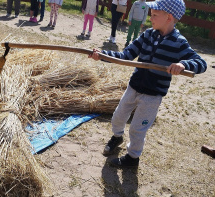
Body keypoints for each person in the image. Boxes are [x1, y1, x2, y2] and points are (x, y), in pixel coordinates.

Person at [89, 0, 207, 168]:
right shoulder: (147, 35)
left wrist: (183, 65)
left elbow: (201, 63)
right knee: (118, 116)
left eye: (154, 15)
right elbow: (126, 55)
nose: (150, 18)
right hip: (134, 86)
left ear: (169, 17)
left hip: (153, 95)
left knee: (137, 128)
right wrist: (103, 55)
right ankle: (117, 136)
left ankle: (132, 158)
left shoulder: (179, 43)